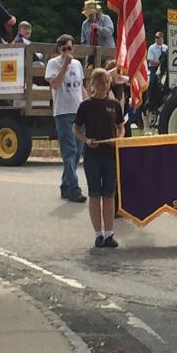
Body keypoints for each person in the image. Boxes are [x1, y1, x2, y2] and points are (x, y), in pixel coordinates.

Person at [74, 68, 125, 248]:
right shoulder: (86, 106)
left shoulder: (114, 104)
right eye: (101, 82)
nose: (104, 85)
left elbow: (121, 126)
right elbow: (77, 129)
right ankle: (98, 234)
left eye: (106, 82)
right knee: (95, 193)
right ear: (93, 84)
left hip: (110, 154)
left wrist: (118, 139)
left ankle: (110, 233)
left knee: (109, 194)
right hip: (92, 155)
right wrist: (86, 140)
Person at [45, 34, 87, 203]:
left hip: (78, 111)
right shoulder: (53, 64)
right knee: (69, 151)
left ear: (73, 48)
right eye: (63, 49)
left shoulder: (77, 64)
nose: (67, 52)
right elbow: (55, 84)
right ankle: (74, 188)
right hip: (63, 112)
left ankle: (65, 185)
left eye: (69, 48)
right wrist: (64, 66)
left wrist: (88, 103)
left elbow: (81, 87)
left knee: (77, 151)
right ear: (59, 50)